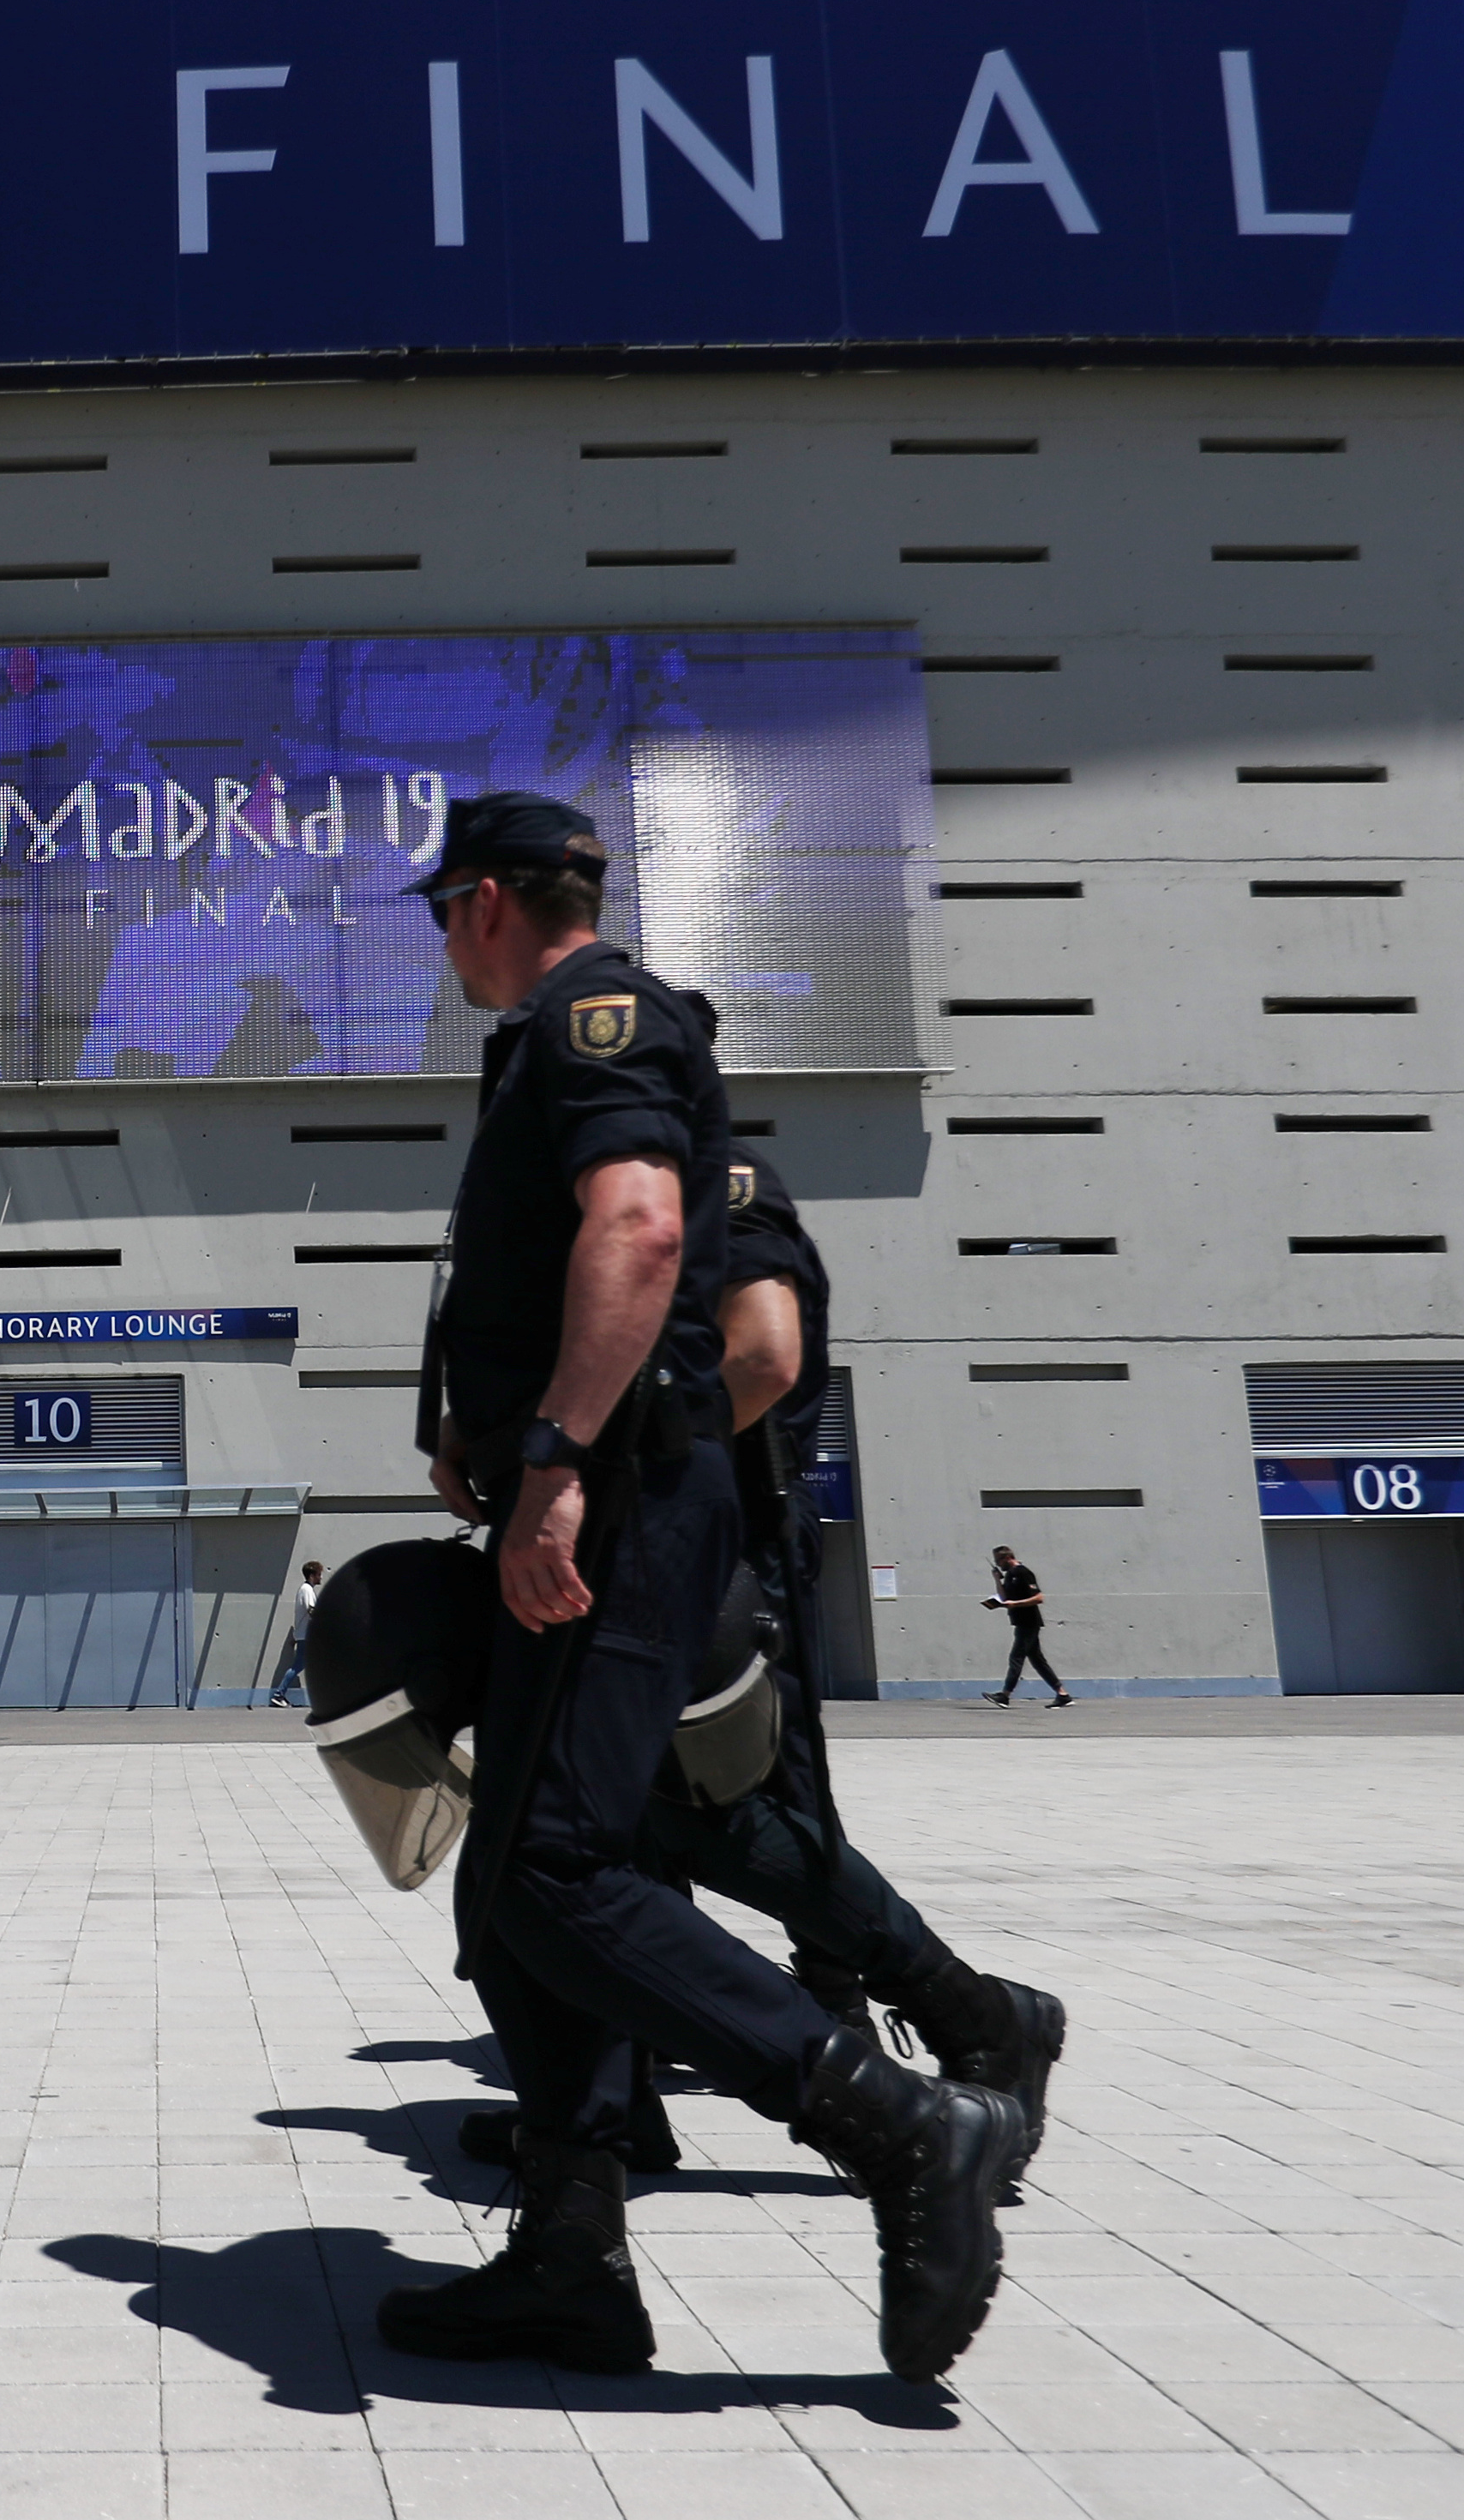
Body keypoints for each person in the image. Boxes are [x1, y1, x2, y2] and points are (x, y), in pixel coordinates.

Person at [369, 790, 1022, 2385]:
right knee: (513, 1885)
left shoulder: (596, 1018)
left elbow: (645, 1232)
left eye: (442, 909)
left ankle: (902, 2119)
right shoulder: (548, 1039)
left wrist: (555, 1461)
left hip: (627, 1511)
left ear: (488, 901)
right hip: (603, 1498)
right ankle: (572, 2250)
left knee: (571, 1871)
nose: (442, 939)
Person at [460, 1146, 1065, 2192]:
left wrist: (611, 1483)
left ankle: (967, 2011)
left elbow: (764, 1357)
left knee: (720, 1818)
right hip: (642, 1557)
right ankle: (604, 2115)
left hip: (710, 1556)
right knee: (601, 1829)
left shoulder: (709, 1182)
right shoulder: (596, 1198)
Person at [985, 1547, 1068, 1705]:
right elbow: (1004, 1597)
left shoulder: (1024, 1573)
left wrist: (1015, 1604)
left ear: (1008, 1557)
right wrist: (997, 1579)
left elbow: (1038, 1598)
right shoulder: (1009, 1575)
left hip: (1029, 1622)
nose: (998, 1564)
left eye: (999, 1561)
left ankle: (1005, 1695)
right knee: (1037, 1660)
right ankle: (1063, 1695)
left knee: (1016, 1658)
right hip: (1020, 1622)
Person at [277, 1558, 327, 1706]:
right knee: (299, 1665)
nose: (321, 1577)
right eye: (319, 1574)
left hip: (305, 1635)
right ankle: (279, 1695)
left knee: (306, 1664)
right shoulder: (306, 1590)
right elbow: (311, 1610)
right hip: (307, 1636)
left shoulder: (306, 1590)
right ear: (312, 1576)